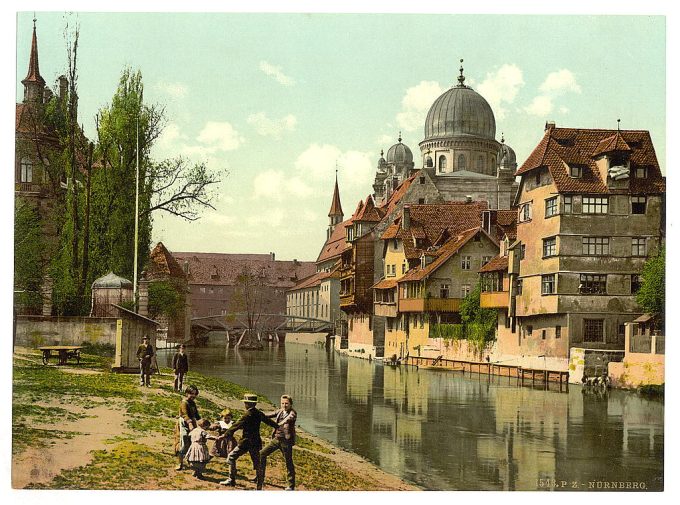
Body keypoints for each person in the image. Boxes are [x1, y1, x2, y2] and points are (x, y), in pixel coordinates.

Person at [219, 393, 278, 487]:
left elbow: (236, 426)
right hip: (256, 442)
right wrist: (278, 427)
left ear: (248, 404)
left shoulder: (247, 415)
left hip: (245, 442)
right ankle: (259, 483)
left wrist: (225, 435)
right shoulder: (258, 413)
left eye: (245, 403)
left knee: (231, 457)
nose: (245, 404)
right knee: (257, 462)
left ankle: (231, 479)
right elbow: (268, 421)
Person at [258, 394, 297, 491]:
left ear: (291, 404)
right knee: (262, 454)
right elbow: (268, 414)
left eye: (286, 403)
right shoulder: (280, 411)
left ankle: (291, 486)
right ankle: (260, 478)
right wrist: (258, 414)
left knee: (288, 462)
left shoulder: (293, 413)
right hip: (276, 439)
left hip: (286, 442)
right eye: (282, 403)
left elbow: (287, 420)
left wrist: (278, 424)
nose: (284, 405)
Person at [174, 385, 201, 471]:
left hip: (192, 423)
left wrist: (201, 421)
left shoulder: (193, 403)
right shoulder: (184, 402)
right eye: (191, 394)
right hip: (184, 423)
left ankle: (190, 460)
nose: (193, 396)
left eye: (195, 394)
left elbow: (196, 414)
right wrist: (190, 424)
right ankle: (180, 463)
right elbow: (184, 414)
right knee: (184, 442)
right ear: (186, 393)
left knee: (191, 442)